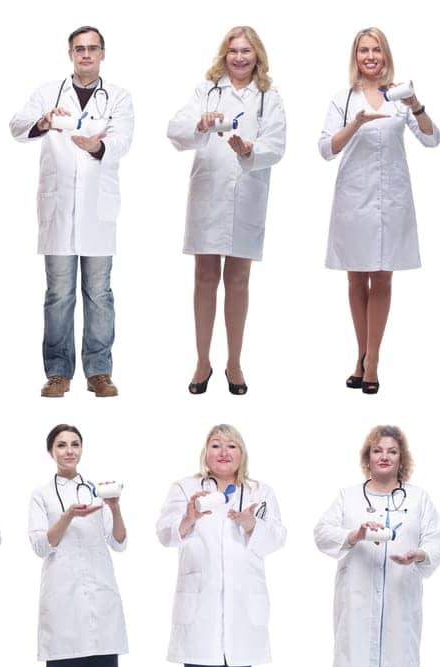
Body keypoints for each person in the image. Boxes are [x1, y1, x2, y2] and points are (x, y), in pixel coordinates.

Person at [313, 425, 440, 667]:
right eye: (377, 451)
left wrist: (421, 554)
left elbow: (436, 540)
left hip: (401, 600)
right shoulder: (348, 497)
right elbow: (322, 532)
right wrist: (353, 535)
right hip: (358, 603)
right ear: (367, 457)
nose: (384, 456)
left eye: (392, 451)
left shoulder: (419, 499)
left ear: (402, 458)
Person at [156, 423, 285, 667]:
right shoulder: (185, 488)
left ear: (242, 453)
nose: (224, 452)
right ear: (205, 453)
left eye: (232, 445)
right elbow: (164, 535)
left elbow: (277, 538)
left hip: (245, 606)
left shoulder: (260, 492)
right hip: (201, 604)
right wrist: (189, 518)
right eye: (216, 445)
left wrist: (250, 524)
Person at [9, 26, 133, 399]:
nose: (86, 55)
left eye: (92, 48)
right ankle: (58, 372)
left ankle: (98, 372)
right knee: (59, 293)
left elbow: (123, 139)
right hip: (59, 208)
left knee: (99, 293)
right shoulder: (49, 92)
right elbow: (16, 126)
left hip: (98, 210)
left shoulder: (119, 97)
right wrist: (45, 121)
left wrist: (98, 145)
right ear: (70, 54)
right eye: (79, 49)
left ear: (103, 54)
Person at [319, 27, 440, 394]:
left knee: (383, 278)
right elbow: (326, 149)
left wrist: (416, 104)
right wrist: (355, 124)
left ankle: (372, 361)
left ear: (386, 55)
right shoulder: (343, 100)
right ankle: (361, 354)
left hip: (391, 201)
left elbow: (433, 139)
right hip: (354, 201)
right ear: (355, 58)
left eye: (376, 50)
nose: (370, 56)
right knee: (356, 278)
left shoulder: (399, 99)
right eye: (363, 51)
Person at [165, 26, 286, 396]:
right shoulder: (207, 90)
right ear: (224, 54)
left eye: (246, 51)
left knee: (237, 280)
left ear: (257, 56)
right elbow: (175, 130)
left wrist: (249, 149)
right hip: (208, 192)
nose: (239, 57)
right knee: (204, 277)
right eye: (233, 51)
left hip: (247, 193)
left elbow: (277, 145)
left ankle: (234, 362)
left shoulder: (269, 96)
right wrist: (199, 124)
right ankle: (203, 361)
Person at [26, 424, 127, 667]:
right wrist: (68, 515)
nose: (69, 450)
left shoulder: (97, 490)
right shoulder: (41, 495)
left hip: (99, 596)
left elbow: (119, 543)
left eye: (75, 444)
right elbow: (40, 545)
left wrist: (114, 510)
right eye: (62, 445)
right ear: (51, 451)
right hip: (62, 597)